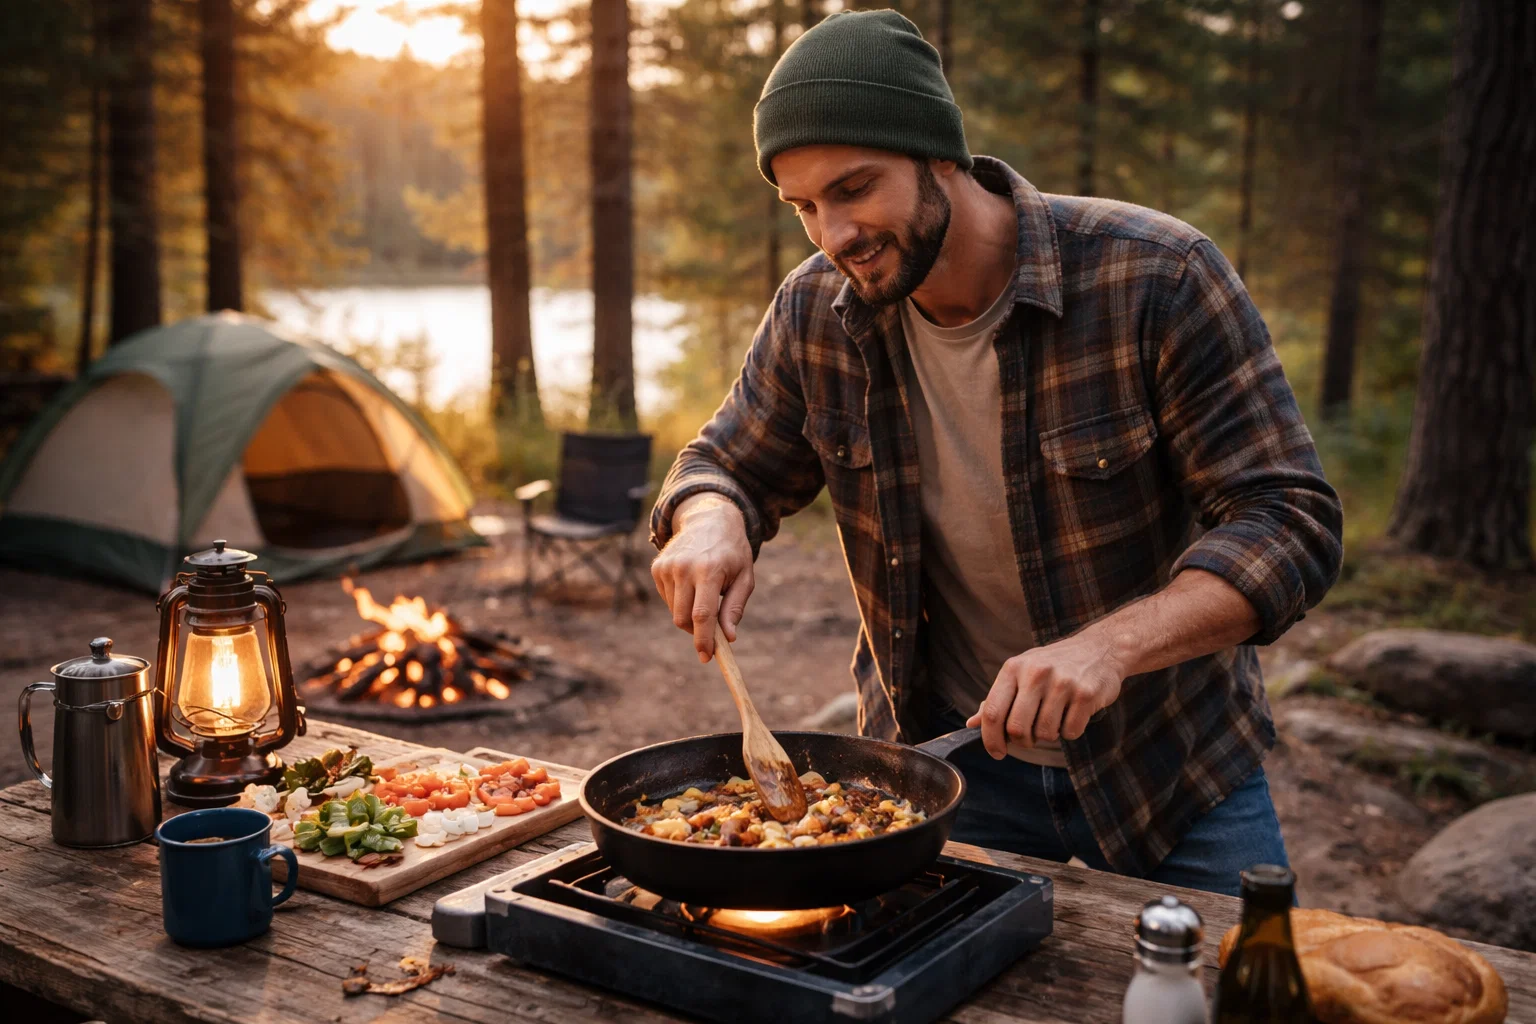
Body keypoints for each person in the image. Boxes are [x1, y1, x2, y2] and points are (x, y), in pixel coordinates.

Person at [647, 9, 1343, 896]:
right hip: (948, 771)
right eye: (805, 208)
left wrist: (1110, 647)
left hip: (1170, 766)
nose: (834, 234)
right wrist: (710, 520)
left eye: (855, 188)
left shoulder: (1156, 275)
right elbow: (727, 463)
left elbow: (1290, 518)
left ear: (940, 153)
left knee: (1245, 992)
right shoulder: (814, 311)